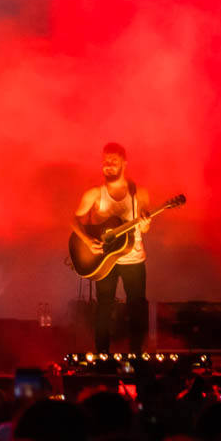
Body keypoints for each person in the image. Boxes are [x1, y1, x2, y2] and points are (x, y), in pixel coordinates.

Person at [71, 142, 150, 353]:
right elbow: (74, 219)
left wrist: (145, 223)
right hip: (104, 260)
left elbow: (146, 227)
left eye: (113, 160)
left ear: (124, 162)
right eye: (105, 161)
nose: (108, 165)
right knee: (104, 306)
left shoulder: (139, 193)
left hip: (133, 258)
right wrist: (88, 241)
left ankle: (137, 353)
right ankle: (102, 355)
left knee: (137, 306)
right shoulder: (95, 194)